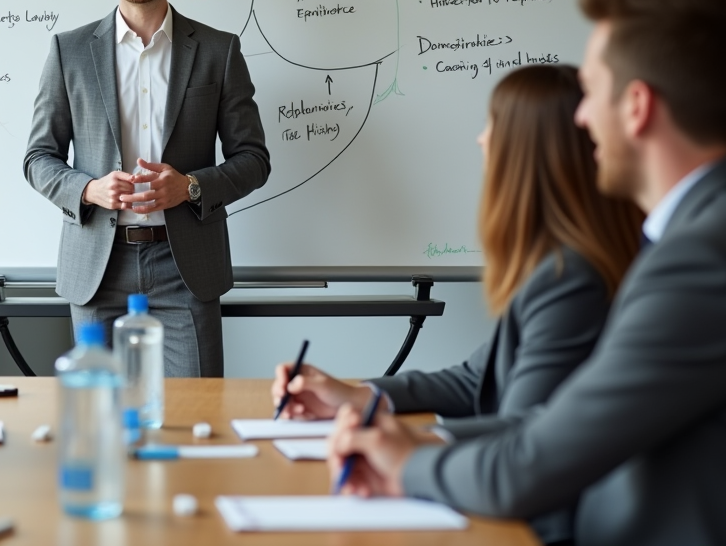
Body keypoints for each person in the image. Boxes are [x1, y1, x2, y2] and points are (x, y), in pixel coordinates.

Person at [330, 0, 726, 546]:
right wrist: (406, 440)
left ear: (637, 107)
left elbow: (533, 460)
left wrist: (405, 462)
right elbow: (548, 423)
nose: (582, 118)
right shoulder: (684, 239)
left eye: (591, 92)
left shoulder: (697, 260)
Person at [271, 63, 642, 543]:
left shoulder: (571, 280)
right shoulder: (552, 265)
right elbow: (475, 381)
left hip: (531, 526)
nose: (481, 141)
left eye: (494, 126)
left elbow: (525, 433)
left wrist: (409, 446)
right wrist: (359, 396)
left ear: (528, 152)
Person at [24, 0, 270, 377]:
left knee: (199, 417)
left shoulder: (219, 51)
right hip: (98, 265)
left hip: (187, 269)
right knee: (102, 420)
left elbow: (253, 159)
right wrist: (89, 189)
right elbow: (38, 158)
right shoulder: (68, 51)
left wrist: (191, 187)